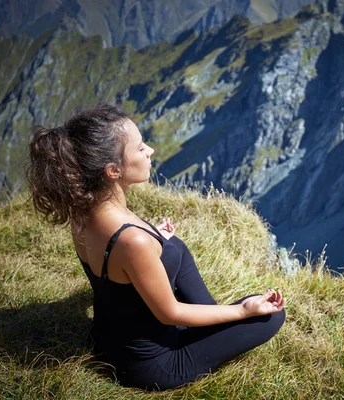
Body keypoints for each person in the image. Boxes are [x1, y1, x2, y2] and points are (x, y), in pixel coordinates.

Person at [26, 103, 286, 390]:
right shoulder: (131, 241)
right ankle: (219, 320)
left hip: (109, 339)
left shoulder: (84, 212)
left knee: (172, 245)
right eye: (139, 149)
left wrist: (155, 236)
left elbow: (117, 263)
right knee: (271, 316)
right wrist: (244, 311)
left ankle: (212, 319)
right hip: (153, 365)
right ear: (113, 170)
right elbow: (170, 313)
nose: (149, 151)